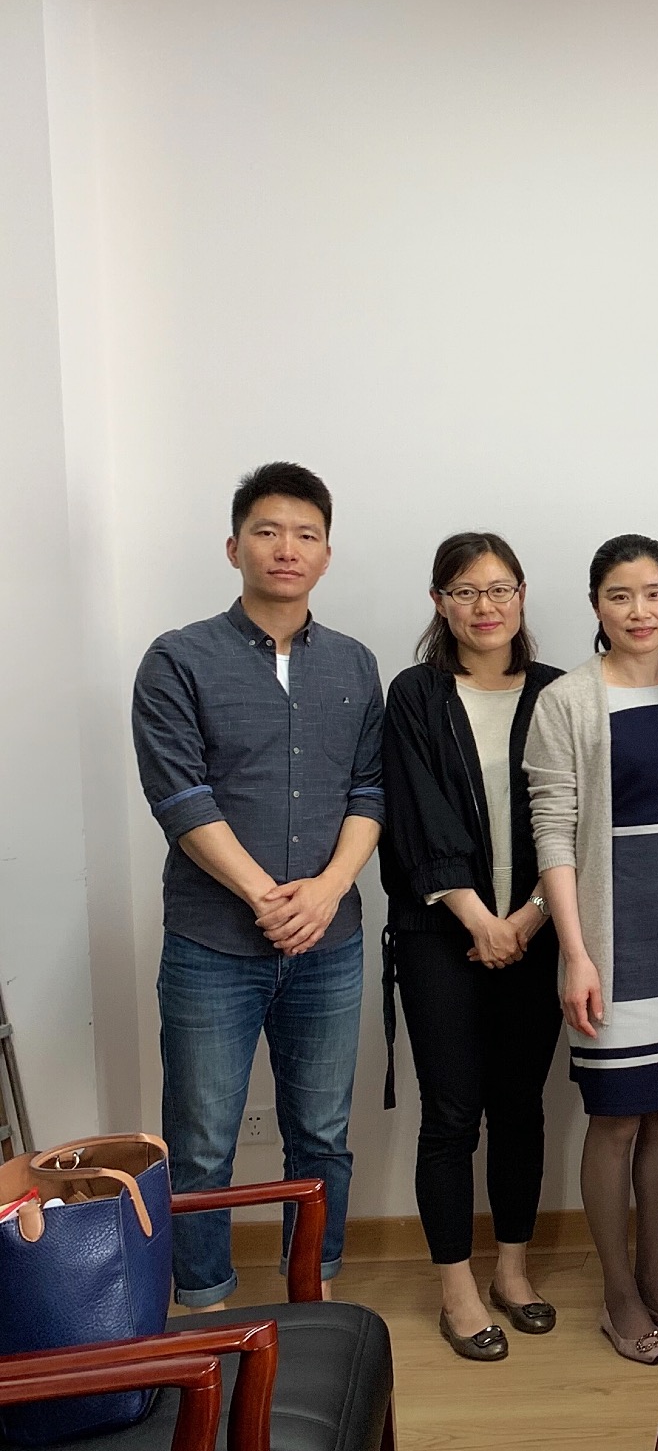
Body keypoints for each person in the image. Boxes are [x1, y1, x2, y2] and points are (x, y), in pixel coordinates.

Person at [131, 461, 382, 1309]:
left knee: (323, 1135)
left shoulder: (354, 663)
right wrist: (267, 896)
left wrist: (327, 889)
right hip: (212, 943)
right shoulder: (178, 657)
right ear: (234, 545)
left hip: (330, 942)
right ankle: (203, 1303)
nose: (286, 548)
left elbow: (369, 790)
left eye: (306, 534)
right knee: (202, 1139)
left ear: (326, 554)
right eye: (268, 531)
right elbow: (179, 797)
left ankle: (311, 1301)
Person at [526, 535, 658, 1364]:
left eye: (654, 592)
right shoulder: (568, 698)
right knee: (615, 1117)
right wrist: (575, 952)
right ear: (596, 605)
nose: (639, 611)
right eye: (619, 595)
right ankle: (616, 1291)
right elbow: (553, 830)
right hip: (612, 926)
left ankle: (656, 1275)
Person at [380, 532, 563, 1361]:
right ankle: (456, 1288)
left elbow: (575, 817)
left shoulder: (559, 691)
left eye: (499, 589)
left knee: (520, 1106)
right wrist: (478, 918)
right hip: (438, 933)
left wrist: (527, 917)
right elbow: (416, 816)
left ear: (521, 594)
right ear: (439, 602)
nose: (484, 606)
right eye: (464, 591)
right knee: (451, 1113)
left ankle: (512, 1271)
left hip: (538, 929)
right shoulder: (415, 694)